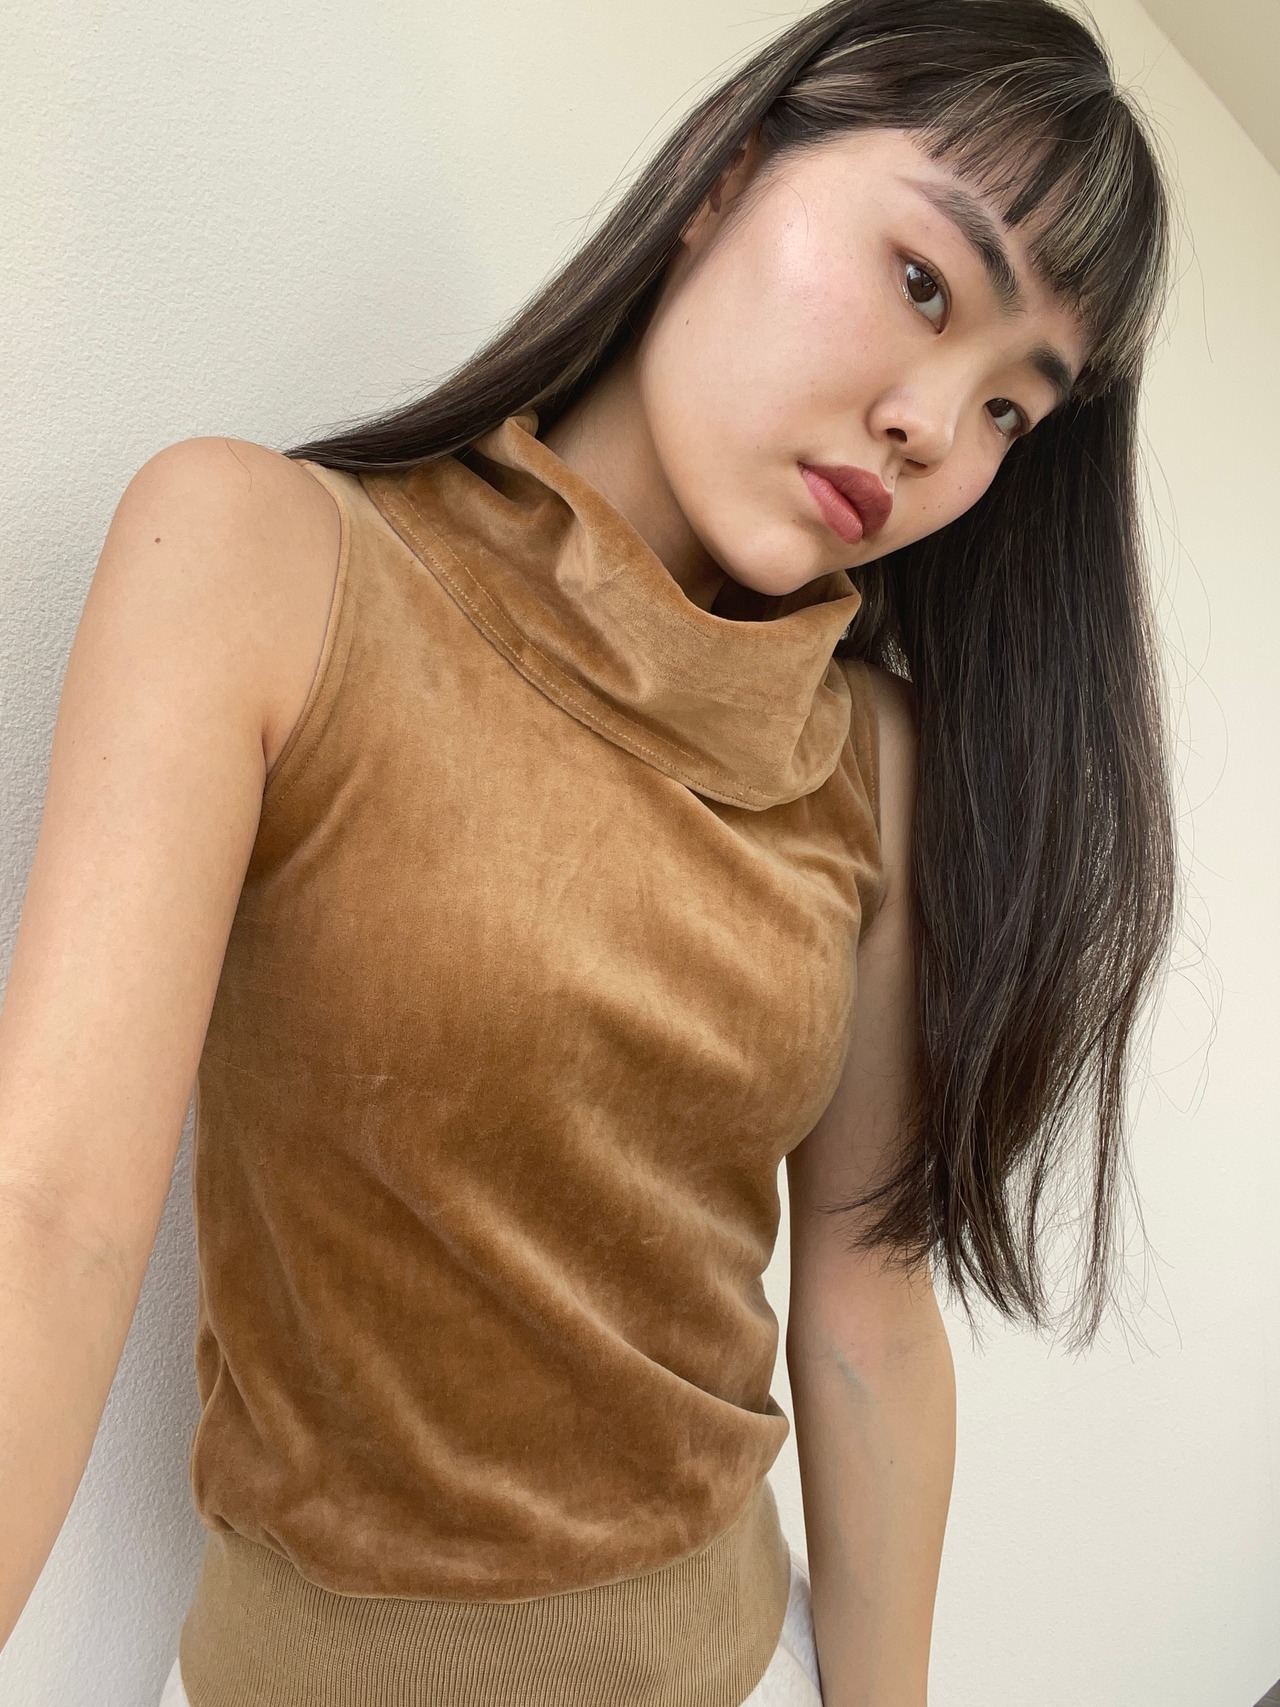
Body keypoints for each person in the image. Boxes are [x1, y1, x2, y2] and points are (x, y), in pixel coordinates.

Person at [0, 0, 1179, 1702]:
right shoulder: (262, 559)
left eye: (1012, 409)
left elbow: (867, 1324)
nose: (936, 427)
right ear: (727, 176)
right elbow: (47, 1225)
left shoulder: (874, 767)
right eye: (927, 285)